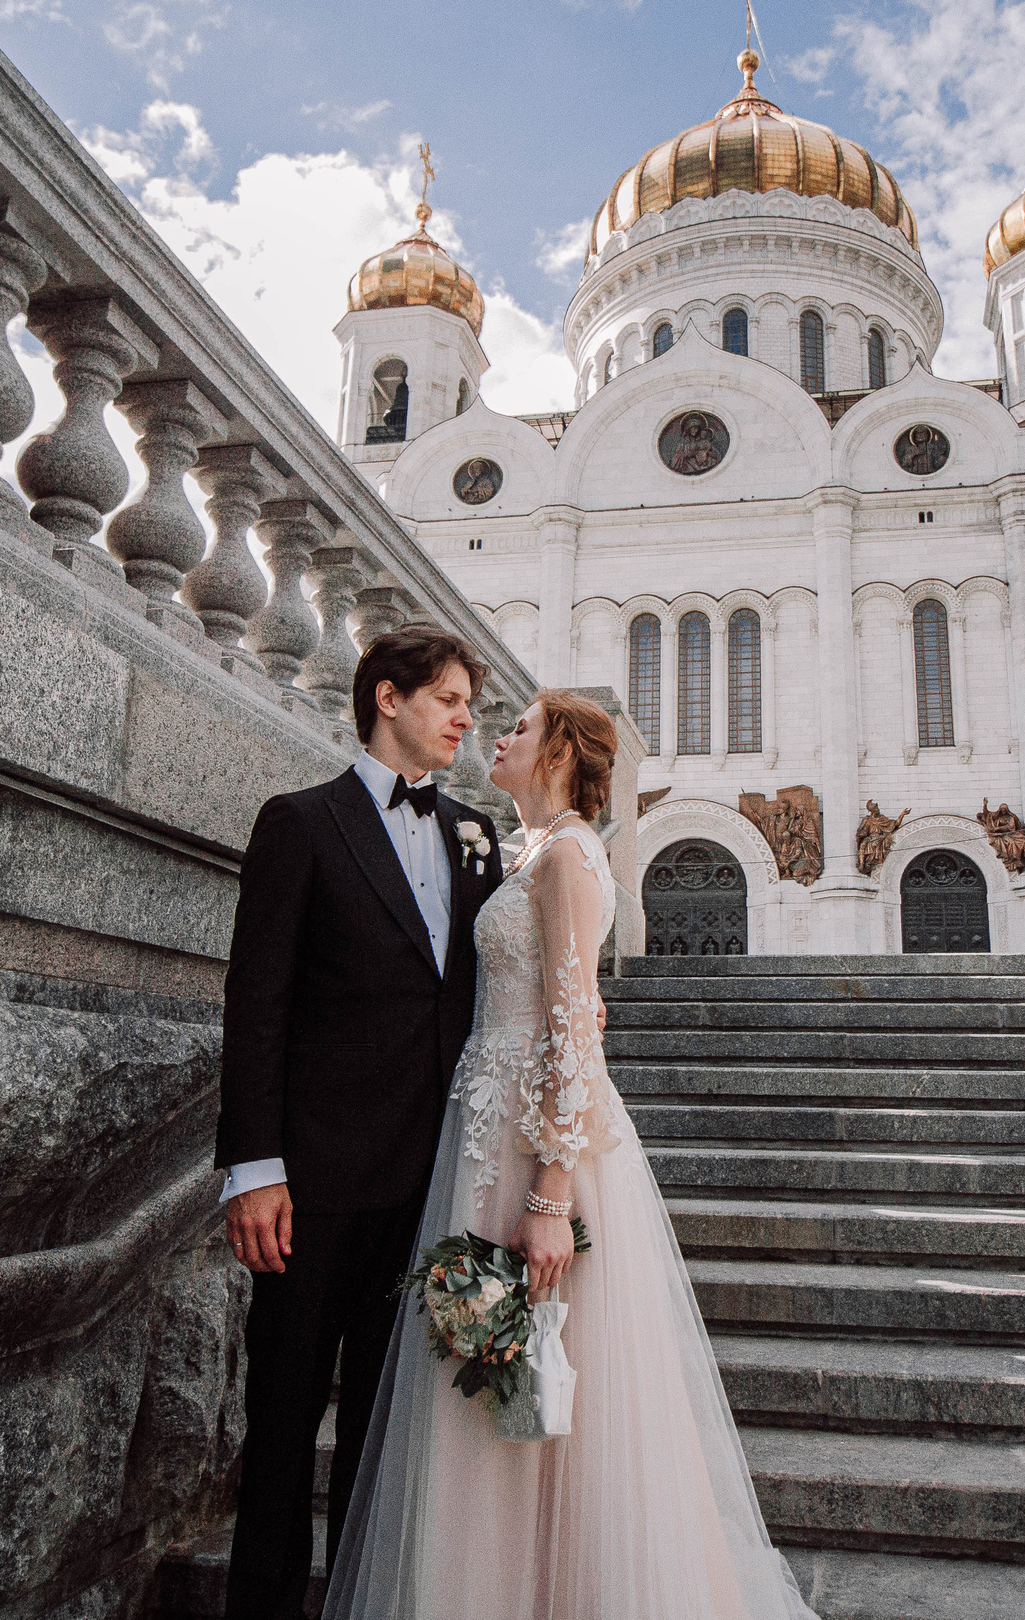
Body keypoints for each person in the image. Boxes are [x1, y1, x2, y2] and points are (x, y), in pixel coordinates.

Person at [322, 689, 816, 1620]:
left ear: (556, 754)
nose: (497, 734)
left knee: (541, 1374)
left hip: (537, 1147)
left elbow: (574, 1030)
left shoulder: (571, 855)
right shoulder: (529, 850)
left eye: (519, 727)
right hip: (486, 1132)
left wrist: (551, 1194)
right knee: (484, 1375)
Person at [215, 625, 506, 1620]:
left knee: (392, 1442)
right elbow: (257, 1003)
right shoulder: (301, 823)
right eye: (449, 700)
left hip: (431, 1189)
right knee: (282, 1423)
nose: (466, 720)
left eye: (469, 704)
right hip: (312, 1187)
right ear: (388, 697)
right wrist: (254, 1167)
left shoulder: (476, 834)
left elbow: (490, 990)